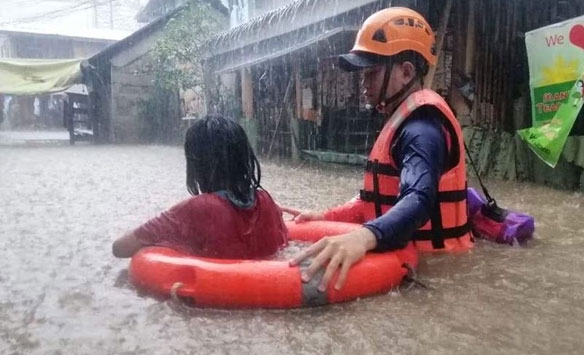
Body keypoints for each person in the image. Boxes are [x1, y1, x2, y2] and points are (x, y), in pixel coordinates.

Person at [287, 7, 472, 292]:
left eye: (371, 74)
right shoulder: (402, 121)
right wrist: (325, 216)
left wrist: (363, 238)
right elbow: (375, 201)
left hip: (437, 271)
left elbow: (418, 199)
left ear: (406, 72)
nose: (363, 84)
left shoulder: (422, 130)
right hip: (414, 259)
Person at [113, 116, 288, 259]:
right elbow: (283, 243)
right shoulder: (266, 201)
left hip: (218, 297)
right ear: (244, 157)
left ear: (196, 164)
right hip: (265, 288)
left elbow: (120, 248)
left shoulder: (199, 208)